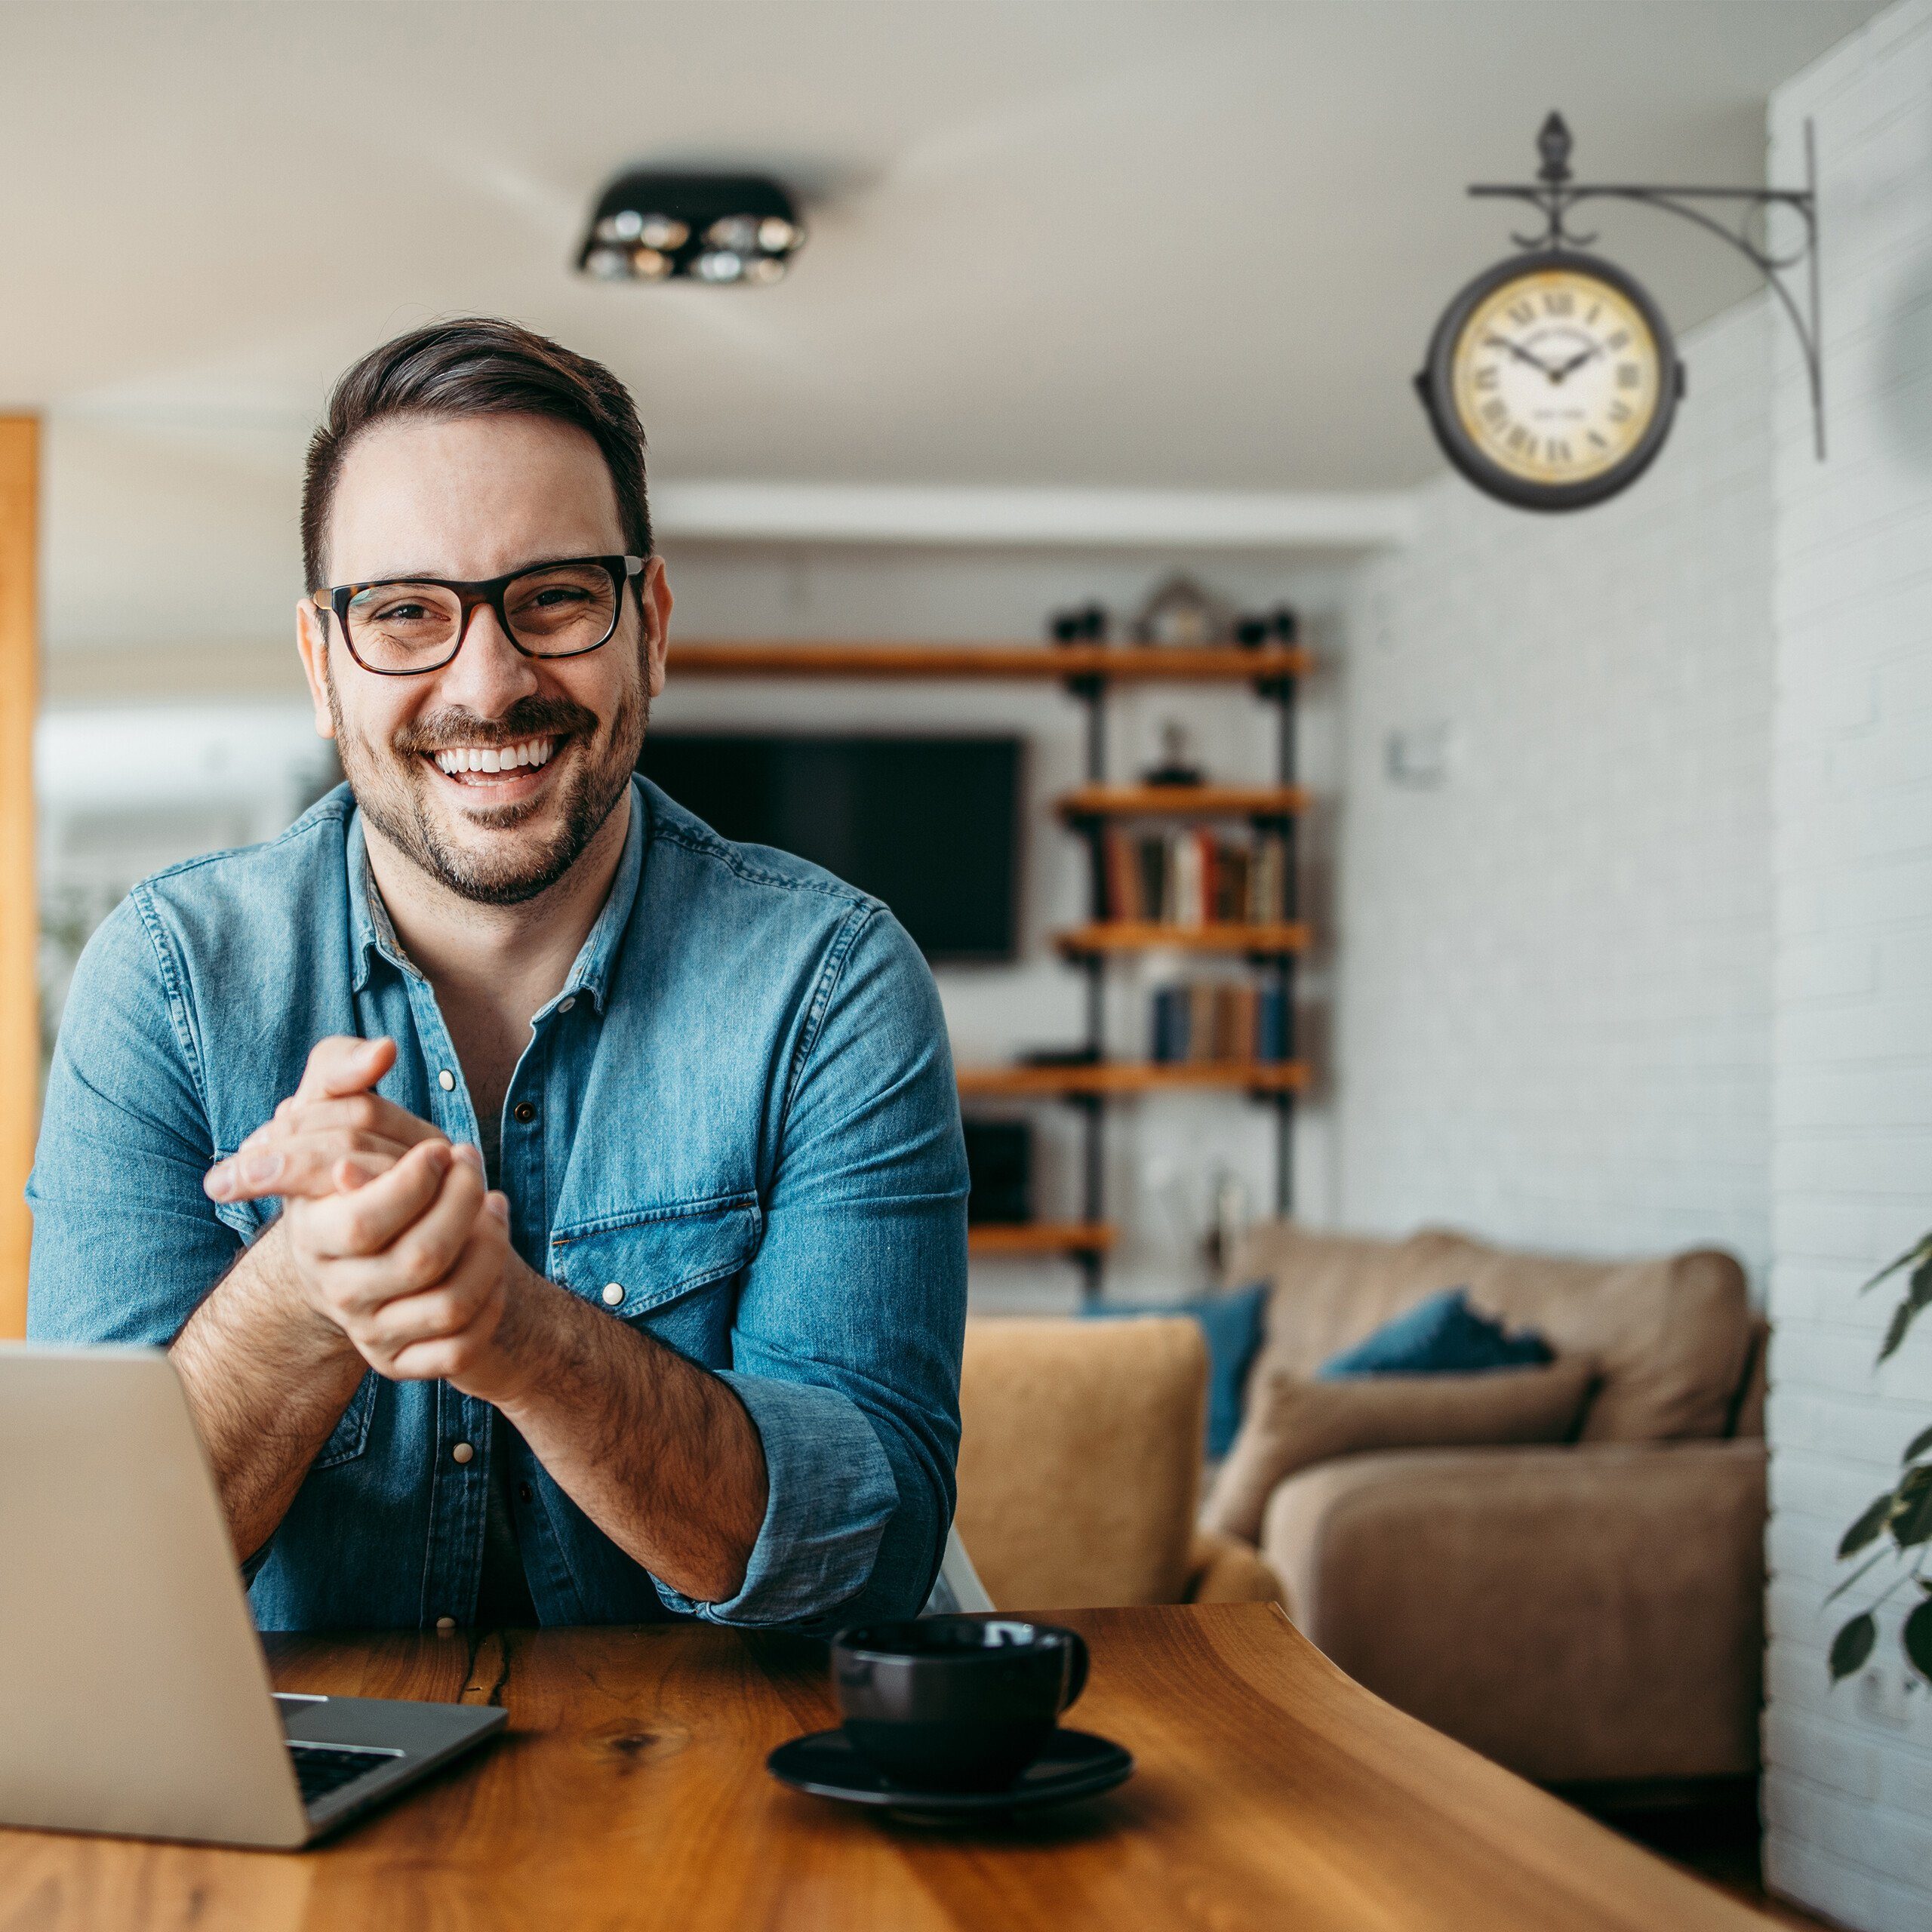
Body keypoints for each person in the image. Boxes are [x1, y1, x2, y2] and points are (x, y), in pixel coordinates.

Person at [26, 318, 969, 1634]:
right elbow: (78, 1584)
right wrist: (303, 1290)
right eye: (406, 611)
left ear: (648, 627)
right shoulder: (169, 981)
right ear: (321, 664)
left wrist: (520, 1333)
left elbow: (867, 1559)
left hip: (721, 1814)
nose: (489, 680)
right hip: (302, 1812)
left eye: (557, 596)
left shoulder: (833, 984)